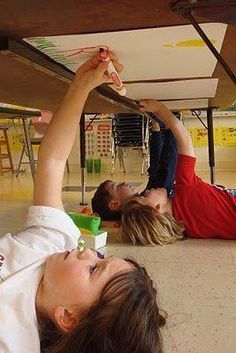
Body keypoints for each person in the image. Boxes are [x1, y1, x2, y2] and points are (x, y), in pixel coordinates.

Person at [0, 55, 165, 353]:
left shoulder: (13, 340)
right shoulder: (54, 241)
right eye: (99, 259)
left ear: (68, 317)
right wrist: (81, 86)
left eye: (94, 269)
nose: (88, 251)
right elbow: (52, 161)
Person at [121, 100, 236, 245]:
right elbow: (184, 139)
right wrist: (161, 109)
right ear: (156, 209)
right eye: (145, 195)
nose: (148, 190)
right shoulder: (185, 189)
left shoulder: (184, 227)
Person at [92, 114, 178, 221]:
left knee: (157, 173)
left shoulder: (141, 201)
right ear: (114, 204)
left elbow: (155, 169)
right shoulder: (146, 208)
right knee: (162, 175)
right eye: (118, 186)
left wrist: (156, 128)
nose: (124, 182)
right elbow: (167, 168)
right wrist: (171, 128)